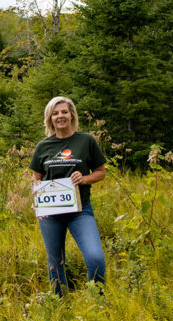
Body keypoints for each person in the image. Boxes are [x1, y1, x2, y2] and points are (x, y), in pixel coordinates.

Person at [30, 96, 107, 295]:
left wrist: (83, 179)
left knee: (95, 258)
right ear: (50, 118)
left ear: (71, 114)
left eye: (64, 111)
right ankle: (58, 305)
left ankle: (97, 301)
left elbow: (101, 172)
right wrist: (37, 201)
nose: (60, 116)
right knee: (55, 263)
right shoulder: (42, 146)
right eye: (55, 113)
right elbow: (36, 179)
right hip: (50, 213)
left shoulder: (86, 141)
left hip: (80, 211)